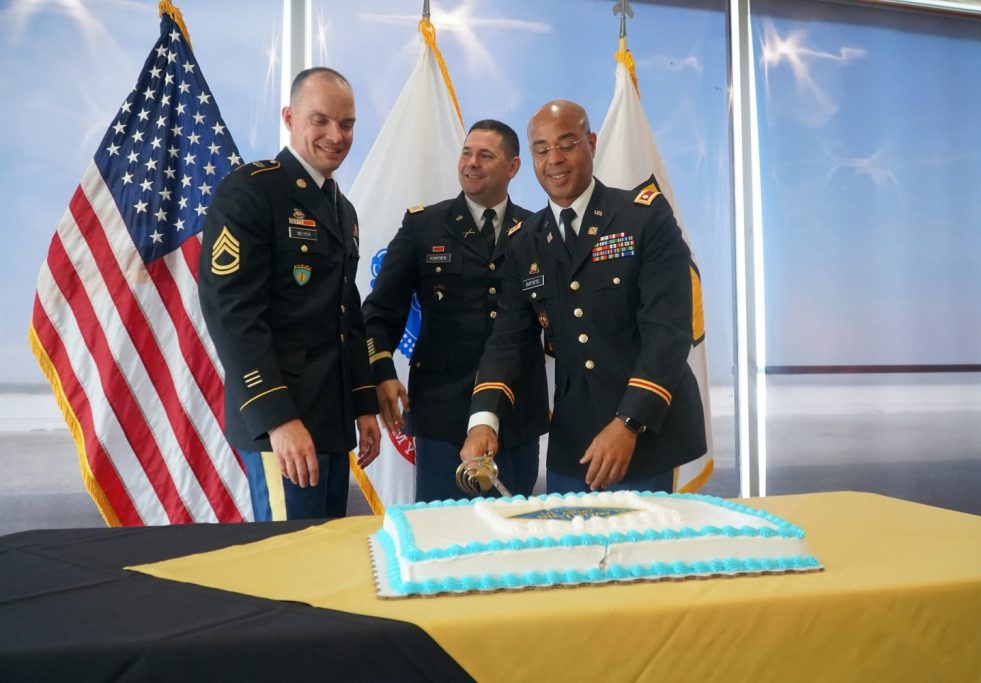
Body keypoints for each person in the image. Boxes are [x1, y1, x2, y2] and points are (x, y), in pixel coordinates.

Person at [461, 100, 706, 494]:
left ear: (591, 143)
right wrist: (483, 421)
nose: (553, 159)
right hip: (574, 439)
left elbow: (669, 332)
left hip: (647, 431)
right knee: (575, 550)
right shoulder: (524, 242)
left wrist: (628, 423)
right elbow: (507, 340)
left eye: (567, 143)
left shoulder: (643, 217)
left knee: (645, 555)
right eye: (541, 149)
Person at [199, 67, 380, 520]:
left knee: (326, 558)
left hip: (331, 420)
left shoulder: (343, 208)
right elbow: (233, 313)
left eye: (347, 123)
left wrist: (363, 404)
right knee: (289, 564)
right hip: (283, 420)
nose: (336, 135)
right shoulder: (253, 191)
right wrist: (278, 418)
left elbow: (346, 316)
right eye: (320, 120)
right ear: (289, 117)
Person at [362, 120, 548, 502]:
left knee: (514, 534)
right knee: (440, 533)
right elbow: (380, 312)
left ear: (512, 167)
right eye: (467, 152)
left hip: (517, 410)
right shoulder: (423, 225)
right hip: (442, 413)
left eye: (485, 155)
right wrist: (381, 370)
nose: (471, 163)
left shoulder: (536, 229)